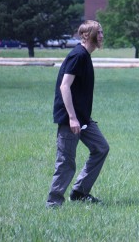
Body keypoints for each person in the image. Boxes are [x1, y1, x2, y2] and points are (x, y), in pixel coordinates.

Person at [46, 20, 109, 208]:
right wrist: (72, 118)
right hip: (70, 119)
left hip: (83, 118)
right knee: (66, 161)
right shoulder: (78, 55)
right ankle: (53, 203)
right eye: (99, 32)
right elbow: (64, 86)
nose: (102, 36)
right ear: (87, 35)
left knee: (101, 148)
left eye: (101, 32)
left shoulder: (85, 56)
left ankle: (80, 192)